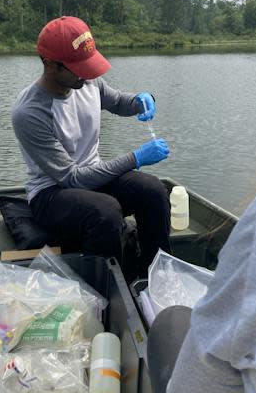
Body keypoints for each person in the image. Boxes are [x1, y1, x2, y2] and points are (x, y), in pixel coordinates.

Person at [12, 16, 171, 276]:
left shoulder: (85, 81)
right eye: (77, 67)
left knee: (153, 190)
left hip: (92, 177)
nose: (86, 75)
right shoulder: (30, 112)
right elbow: (72, 178)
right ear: (50, 64)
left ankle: (157, 276)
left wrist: (142, 99)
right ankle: (105, 291)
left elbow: (118, 101)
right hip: (51, 193)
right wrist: (136, 158)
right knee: (106, 213)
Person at [165, 122, 256, 393]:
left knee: (171, 321)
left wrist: (138, 104)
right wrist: (133, 160)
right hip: (67, 187)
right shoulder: (44, 110)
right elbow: (69, 174)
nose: (86, 82)